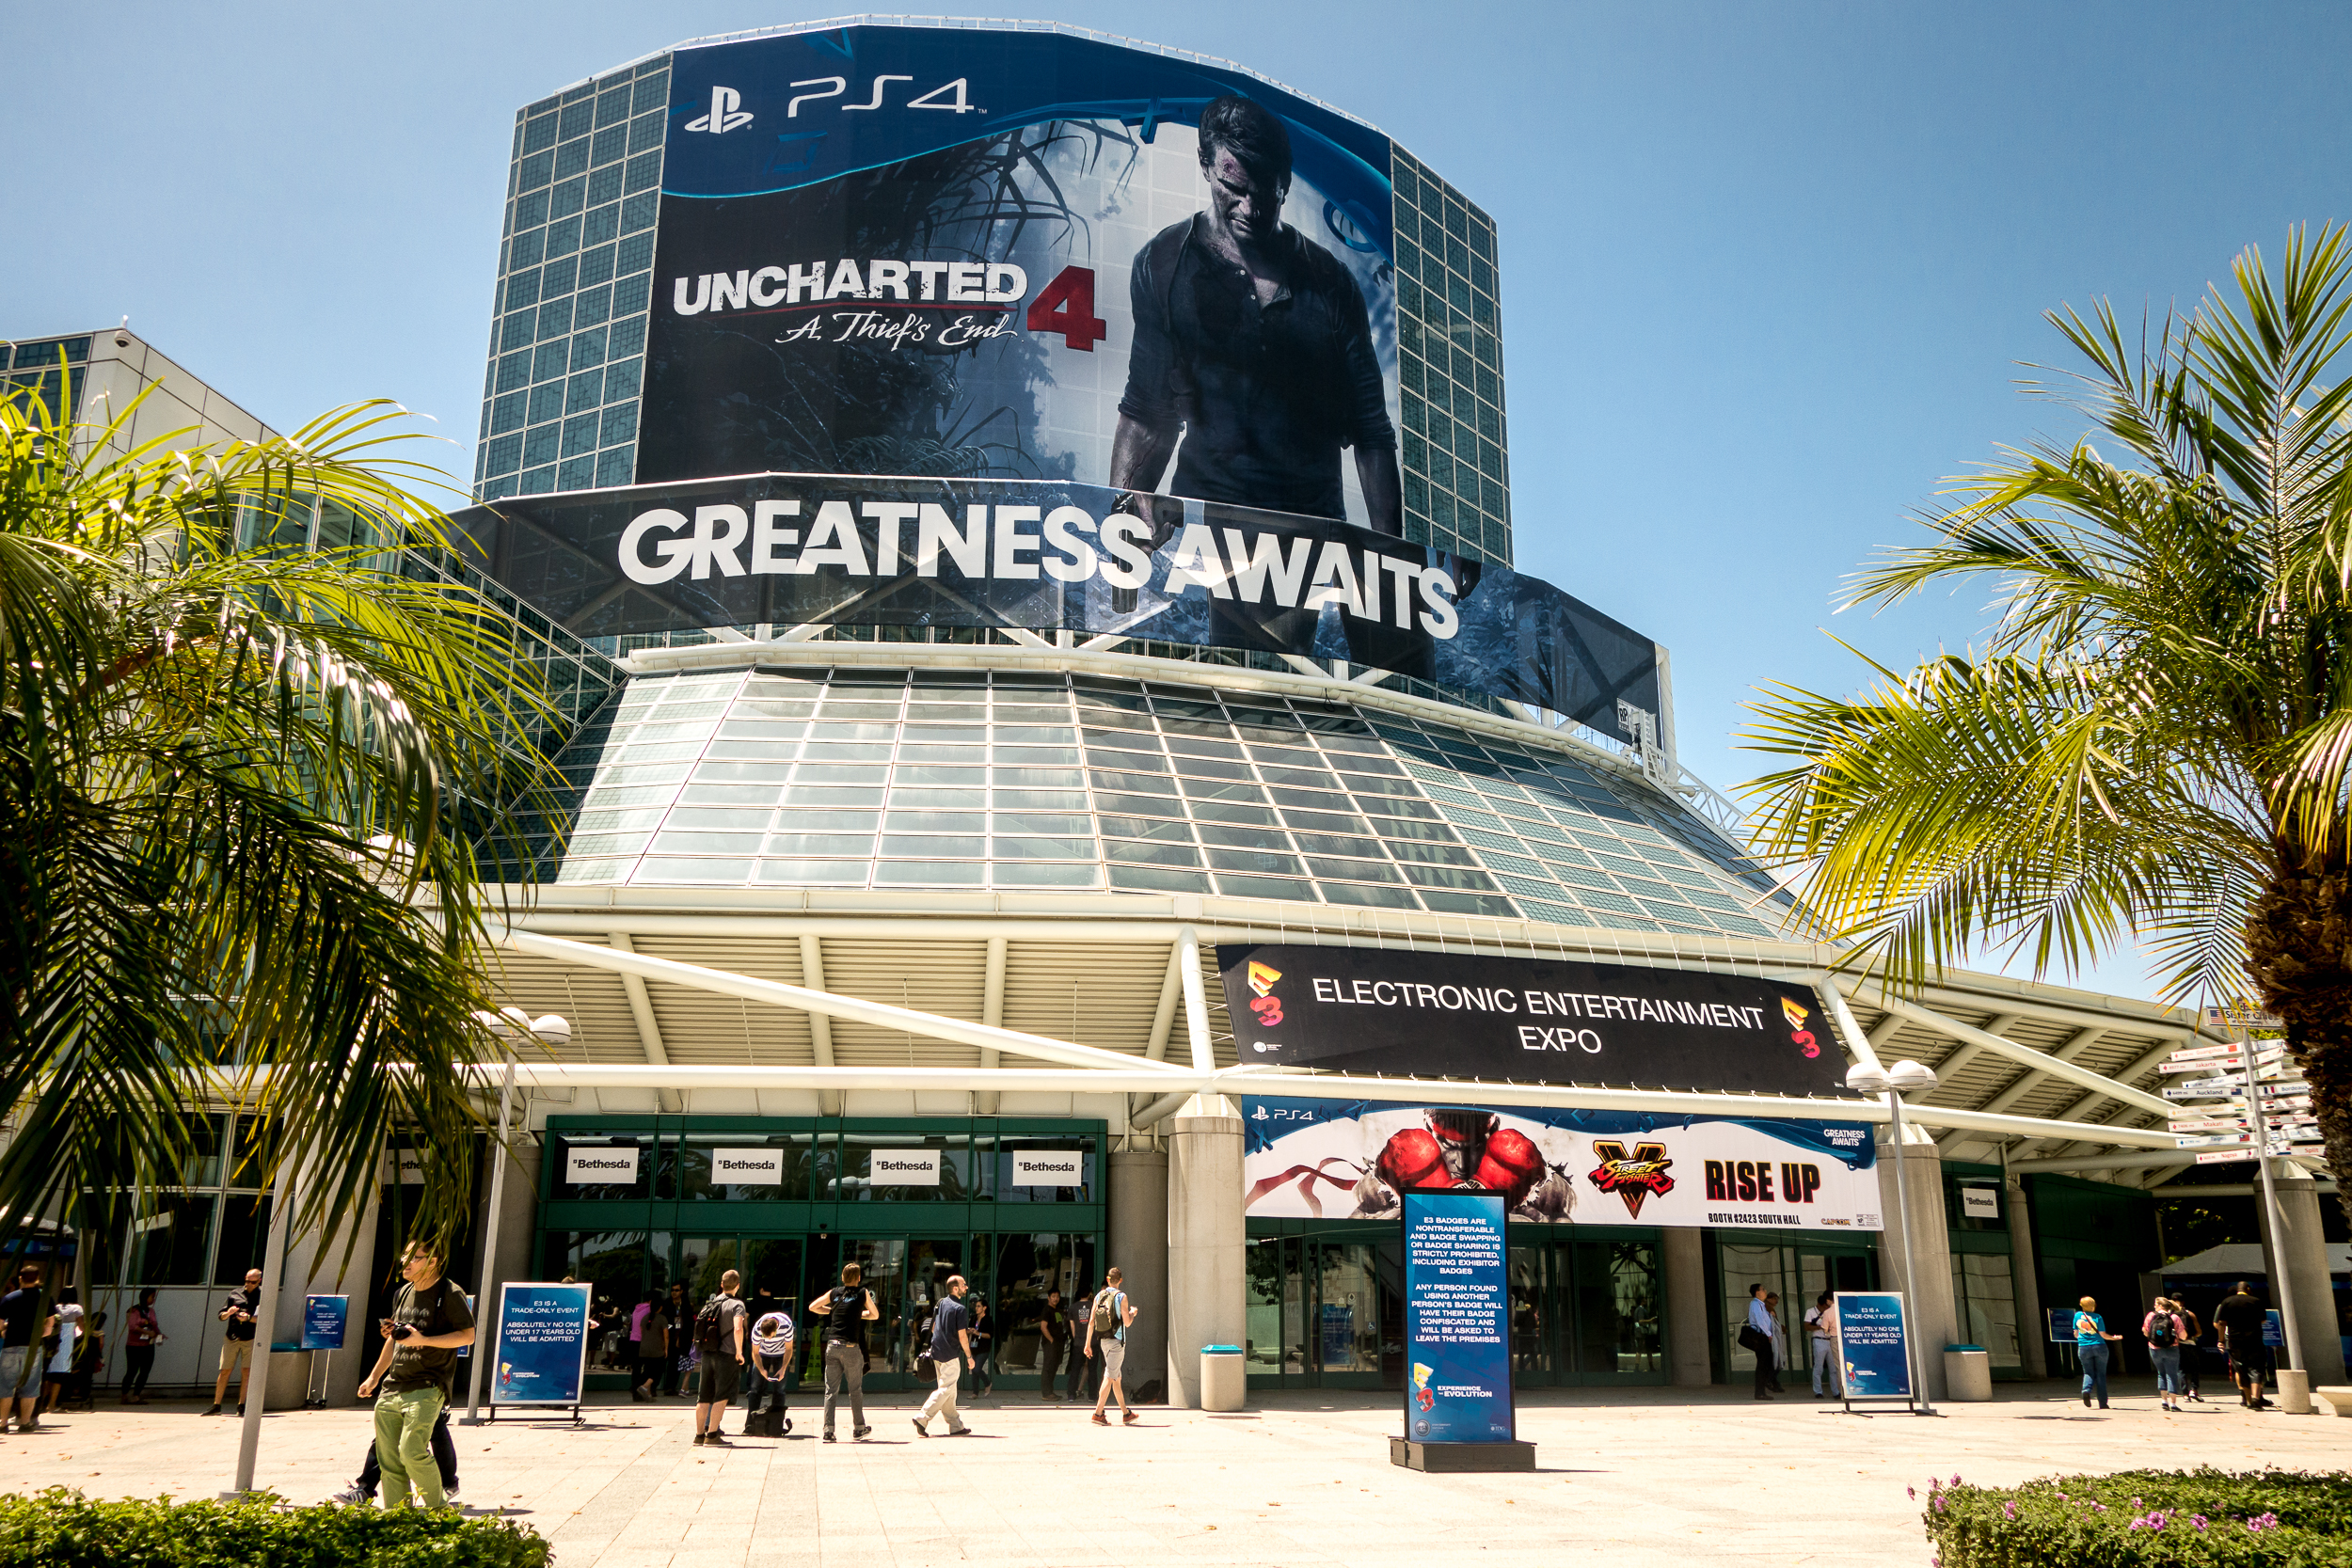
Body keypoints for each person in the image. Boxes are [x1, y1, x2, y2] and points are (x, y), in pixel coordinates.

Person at [1109, 93, 1402, 535]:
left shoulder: (1332, 283)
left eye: (1263, 190)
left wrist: (1388, 559)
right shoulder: (1162, 263)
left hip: (1311, 533)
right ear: (1206, 165)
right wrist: (1123, 524)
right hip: (1203, 527)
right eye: (1234, 189)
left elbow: (1372, 433)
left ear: (1284, 182)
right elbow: (1147, 411)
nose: (1250, 207)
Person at [356, 1241, 476, 1510]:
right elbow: (396, 1340)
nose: (405, 1262)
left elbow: (468, 1336)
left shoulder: (450, 1292)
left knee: (411, 1452)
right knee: (389, 1461)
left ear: (432, 1261)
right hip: (392, 1387)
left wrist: (424, 1339)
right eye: (404, 1257)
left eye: (413, 1258)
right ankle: (400, 1518)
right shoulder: (403, 1292)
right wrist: (374, 1377)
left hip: (428, 1384)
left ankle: (437, 1512)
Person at [331, 1406, 459, 1507]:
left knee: (435, 1428)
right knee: (386, 1436)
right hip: (399, 1386)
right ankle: (364, 1489)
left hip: (428, 1384)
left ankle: (448, 1483)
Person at [810, 1262, 879, 1443]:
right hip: (851, 1348)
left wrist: (830, 1311)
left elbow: (813, 1307)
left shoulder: (834, 1292)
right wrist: (860, 1314)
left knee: (830, 1391)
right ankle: (859, 1428)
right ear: (858, 1278)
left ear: (842, 1277)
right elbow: (875, 1315)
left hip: (832, 1346)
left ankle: (828, 1431)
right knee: (855, 1390)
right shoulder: (862, 1293)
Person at [912, 1273, 974, 1438]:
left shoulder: (941, 1303)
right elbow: (962, 1336)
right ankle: (922, 1418)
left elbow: (933, 1329)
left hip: (937, 1351)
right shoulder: (960, 1309)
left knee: (949, 1391)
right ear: (955, 1288)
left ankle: (955, 1425)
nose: (966, 1287)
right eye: (963, 1285)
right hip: (950, 1354)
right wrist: (969, 1356)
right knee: (946, 1389)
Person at [691, 1269, 748, 1447]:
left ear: (722, 1285)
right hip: (726, 1354)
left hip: (707, 1353)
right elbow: (738, 1328)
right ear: (737, 1286)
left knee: (703, 1396)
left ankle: (699, 1435)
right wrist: (739, 1352)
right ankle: (713, 1435)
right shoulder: (737, 1305)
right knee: (721, 1395)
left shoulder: (710, 1303)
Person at [1, 1264, 52, 1433]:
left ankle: (3, 1423)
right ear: (37, 1278)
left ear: (20, 1279)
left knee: (6, 1386)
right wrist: (38, 1335)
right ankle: (25, 1422)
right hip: (33, 1348)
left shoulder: (10, 1298)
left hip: (11, 1346)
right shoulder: (45, 1298)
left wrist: (4, 1332)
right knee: (30, 1387)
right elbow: (49, 1327)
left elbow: (0, 1324)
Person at [1087, 1266, 1139, 1427]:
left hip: (1103, 1340)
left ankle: (1126, 1414)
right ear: (1120, 1280)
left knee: (1116, 1377)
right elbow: (1128, 1323)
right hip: (1117, 1342)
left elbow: (1091, 1322)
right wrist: (1132, 1312)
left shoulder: (1099, 1296)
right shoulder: (1121, 1296)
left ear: (1108, 1279)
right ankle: (1098, 1413)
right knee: (1110, 1377)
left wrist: (1087, 1344)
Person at [207, 1267, 263, 1417]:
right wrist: (229, 1313)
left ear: (259, 1281)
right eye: (247, 1281)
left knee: (246, 1371)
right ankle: (216, 1404)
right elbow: (221, 1316)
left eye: (252, 1282)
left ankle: (242, 1405)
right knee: (225, 1370)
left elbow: (264, 1319)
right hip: (232, 1336)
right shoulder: (234, 1293)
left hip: (250, 1337)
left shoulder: (262, 1296)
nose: (249, 1284)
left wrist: (248, 1318)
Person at [2214, 1280, 2272, 1410]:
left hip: (2235, 1341)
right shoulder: (2256, 1301)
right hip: (2254, 1340)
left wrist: (2221, 1340)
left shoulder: (2227, 1302)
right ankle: (2256, 1397)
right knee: (2256, 1368)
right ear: (2248, 1289)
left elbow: (2221, 1323)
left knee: (2241, 1369)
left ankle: (2249, 1401)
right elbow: (2263, 1320)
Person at [747, 1308, 794, 1435]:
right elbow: (755, 1352)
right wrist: (762, 1369)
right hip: (762, 1354)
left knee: (780, 1389)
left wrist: (783, 1368)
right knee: (755, 1388)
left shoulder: (786, 1325)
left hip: (781, 1353)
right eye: (764, 1337)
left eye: (770, 1336)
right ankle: (750, 1425)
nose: (767, 1339)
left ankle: (776, 1424)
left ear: (777, 1328)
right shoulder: (757, 1329)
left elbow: (789, 1349)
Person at [2074, 1294, 2122, 1409]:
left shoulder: (2077, 1315)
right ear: (2093, 1306)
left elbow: (2076, 1334)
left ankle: (2086, 1390)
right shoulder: (2098, 1317)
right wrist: (2114, 1338)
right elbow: (2103, 1335)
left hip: (2083, 1347)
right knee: (2100, 1374)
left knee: (2088, 1372)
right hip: (2099, 1346)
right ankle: (2103, 1403)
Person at [40, 1288, 83, 1415]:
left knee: (48, 1375)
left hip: (52, 1341)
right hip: (66, 1343)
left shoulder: (55, 1307)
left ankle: (41, 1403)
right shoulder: (77, 1308)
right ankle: (51, 1405)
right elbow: (81, 1325)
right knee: (60, 1375)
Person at [2143, 1295, 2188, 1412]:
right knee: (2172, 1374)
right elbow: (2183, 1336)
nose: (2154, 1306)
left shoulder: (2150, 1316)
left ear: (2160, 1306)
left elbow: (2145, 1331)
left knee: (2161, 1373)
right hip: (2172, 1348)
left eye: (2155, 1304)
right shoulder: (2174, 1317)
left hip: (2155, 1349)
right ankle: (2173, 1404)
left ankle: (2164, 1402)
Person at [122, 1289, 164, 1404]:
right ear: (144, 1297)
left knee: (145, 1371)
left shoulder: (151, 1311)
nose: (153, 1299)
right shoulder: (133, 1311)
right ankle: (124, 1395)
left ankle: (136, 1395)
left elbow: (154, 1325)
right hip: (134, 1346)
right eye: (151, 1297)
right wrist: (147, 1333)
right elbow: (132, 1327)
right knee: (132, 1371)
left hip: (148, 1345)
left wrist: (159, 1334)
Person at [633, 1292, 670, 1403]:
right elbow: (666, 1335)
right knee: (658, 1371)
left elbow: (641, 1331)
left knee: (648, 1371)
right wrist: (666, 1349)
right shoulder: (662, 1318)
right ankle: (645, 1386)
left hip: (644, 1349)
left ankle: (647, 1395)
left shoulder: (645, 1318)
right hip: (657, 1350)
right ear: (661, 1307)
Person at [1742, 1283, 1777, 1401]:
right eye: (1763, 1289)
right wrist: (1769, 1334)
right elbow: (1760, 1320)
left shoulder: (1763, 1305)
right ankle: (1760, 1392)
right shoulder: (1755, 1304)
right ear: (1757, 1292)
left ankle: (1765, 1386)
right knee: (1762, 1365)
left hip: (1765, 1337)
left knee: (1768, 1363)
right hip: (1761, 1337)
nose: (1765, 1291)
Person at [1036, 1289, 1070, 1402]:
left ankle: (1050, 1392)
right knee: (1048, 1367)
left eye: (1057, 1296)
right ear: (1049, 1297)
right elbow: (1043, 1327)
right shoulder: (1047, 1310)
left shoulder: (1058, 1310)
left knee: (1054, 1366)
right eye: (1053, 1296)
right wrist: (1051, 1340)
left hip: (1059, 1343)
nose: (1056, 1298)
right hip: (1050, 1343)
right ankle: (1046, 1393)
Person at [1804, 1291, 1838, 1399]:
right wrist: (1820, 1327)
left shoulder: (1830, 1311)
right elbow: (1807, 1327)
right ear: (1819, 1304)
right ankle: (1818, 1391)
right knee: (1818, 1367)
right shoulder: (1810, 1312)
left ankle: (1836, 1391)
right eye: (1824, 1307)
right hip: (1819, 1340)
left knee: (1834, 1368)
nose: (1825, 1308)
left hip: (1831, 1339)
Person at [660, 1282, 691, 1397]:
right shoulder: (667, 1303)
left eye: (677, 1290)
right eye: (672, 1290)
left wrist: (681, 1337)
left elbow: (687, 1322)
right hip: (667, 1335)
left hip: (680, 1338)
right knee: (663, 1362)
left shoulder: (685, 1304)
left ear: (681, 1291)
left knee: (676, 1363)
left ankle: (671, 1387)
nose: (674, 1292)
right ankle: (657, 1386)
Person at [2176, 1298, 2207, 1402]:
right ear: (2183, 1301)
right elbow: (2199, 1332)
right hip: (2190, 1344)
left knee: (2181, 1369)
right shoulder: (2190, 1314)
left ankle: (2185, 1394)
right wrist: (2190, 1335)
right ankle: (2194, 1391)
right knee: (2194, 1368)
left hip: (2177, 1345)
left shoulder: (2171, 1315)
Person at [1762, 1291, 1788, 1393]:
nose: (1776, 1301)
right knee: (1777, 1362)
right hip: (1771, 1339)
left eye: (1777, 1299)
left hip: (1773, 1338)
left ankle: (1775, 1384)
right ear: (1768, 1299)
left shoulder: (1770, 1308)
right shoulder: (1767, 1308)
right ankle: (1769, 1380)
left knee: (1776, 1362)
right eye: (1774, 1298)